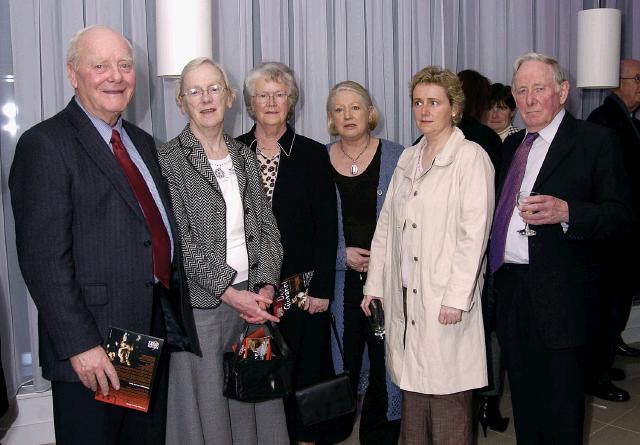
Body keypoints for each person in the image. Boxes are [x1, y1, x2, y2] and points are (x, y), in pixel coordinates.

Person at [9, 26, 199, 445]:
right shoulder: (45, 144)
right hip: (94, 342)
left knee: (139, 439)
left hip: (143, 333)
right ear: (73, 74)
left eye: (125, 65)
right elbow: (43, 262)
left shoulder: (142, 143)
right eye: (100, 66)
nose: (115, 76)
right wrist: (81, 345)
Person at [488, 52, 634, 444]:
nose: (529, 99)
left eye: (539, 88)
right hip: (513, 292)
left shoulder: (595, 141)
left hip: (564, 299)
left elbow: (621, 217)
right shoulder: (512, 145)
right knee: (525, 407)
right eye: (522, 90)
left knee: (562, 412)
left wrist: (568, 212)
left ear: (562, 91)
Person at [157, 57, 288, 445]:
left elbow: (268, 230)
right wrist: (231, 294)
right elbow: (180, 243)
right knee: (210, 407)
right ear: (181, 103)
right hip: (205, 307)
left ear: (229, 97)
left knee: (257, 400)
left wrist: (265, 288)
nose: (206, 98)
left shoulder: (245, 155)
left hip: (254, 302)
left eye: (214, 88)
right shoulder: (169, 160)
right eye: (194, 91)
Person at [363, 66, 494, 445]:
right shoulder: (409, 158)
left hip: (444, 299)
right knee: (413, 395)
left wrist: (456, 298)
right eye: (418, 102)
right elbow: (386, 227)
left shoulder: (471, 158)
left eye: (433, 102)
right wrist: (375, 286)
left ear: (454, 108)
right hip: (405, 294)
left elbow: (475, 236)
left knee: (448, 396)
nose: (424, 110)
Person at [236, 61, 338, 445]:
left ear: (291, 101)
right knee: (259, 368)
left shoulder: (311, 154)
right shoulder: (233, 152)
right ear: (250, 103)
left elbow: (327, 228)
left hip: (301, 286)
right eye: (263, 95)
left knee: (304, 371)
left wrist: (323, 288)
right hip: (249, 287)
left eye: (280, 94)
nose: (272, 102)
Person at [325, 80, 403, 444]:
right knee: (343, 363)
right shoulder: (318, 160)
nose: (348, 115)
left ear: (370, 113)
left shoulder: (399, 157)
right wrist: (342, 256)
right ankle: (338, 432)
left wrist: (384, 262)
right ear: (330, 119)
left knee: (386, 364)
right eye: (339, 109)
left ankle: (380, 436)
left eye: (355, 107)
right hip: (339, 284)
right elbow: (309, 228)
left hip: (386, 284)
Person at [586, 59, 640, 402]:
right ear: (616, 82)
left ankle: (605, 363)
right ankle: (597, 375)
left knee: (618, 303)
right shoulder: (604, 121)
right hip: (613, 237)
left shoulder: (625, 121)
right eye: (637, 78)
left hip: (626, 232)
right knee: (608, 306)